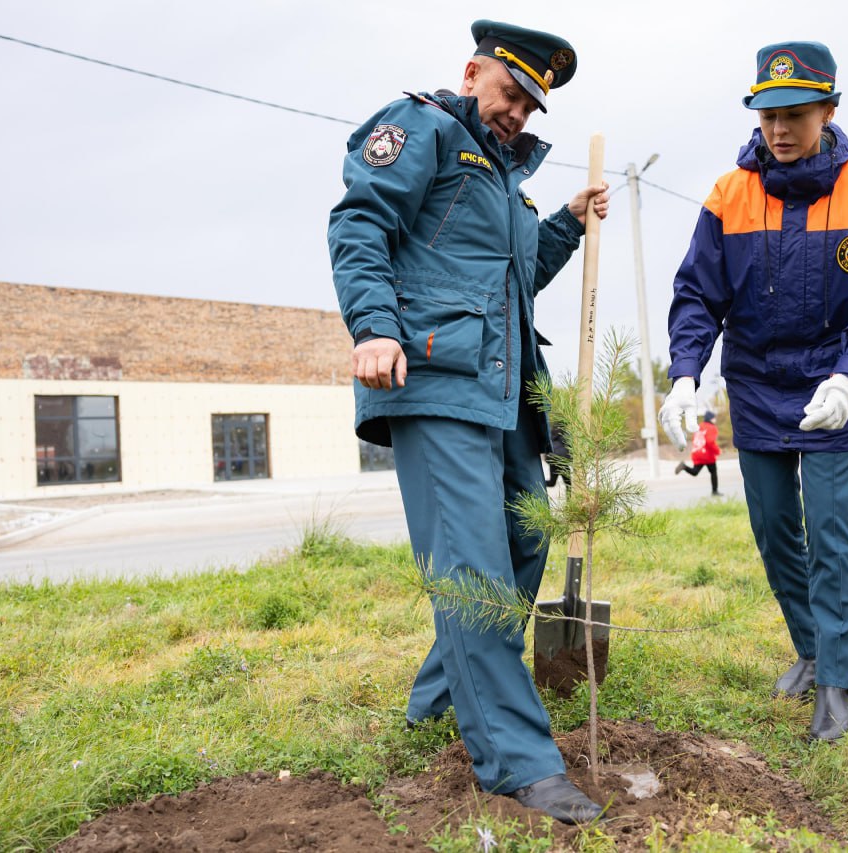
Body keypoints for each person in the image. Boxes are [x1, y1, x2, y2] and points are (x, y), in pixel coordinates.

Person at [326, 20, 609, 824]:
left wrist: (563, 220)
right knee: (476, 571)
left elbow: (519, 278)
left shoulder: (503, 181)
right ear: (473, 72)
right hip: (433, 377)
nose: (517, 111)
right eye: (509, 91)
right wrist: (373, 325)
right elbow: (360, 222)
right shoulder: (425, 128)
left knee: (525, 540)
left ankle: (436, 701)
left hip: (503, 395)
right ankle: (518, 761)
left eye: (530, 104)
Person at [659, 41, 848, 741]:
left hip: (835, 386)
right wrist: (685, 374)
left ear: (829, 110)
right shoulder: (729, 193)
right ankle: (810, 646)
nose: (779, 128)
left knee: (832, 533)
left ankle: (837, 683)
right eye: (768, 113)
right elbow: (696, 294)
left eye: (796, 113)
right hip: (759, 385)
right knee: (775, 531)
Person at [675, 410, 722, 495]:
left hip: (697, 453)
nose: (715, 419)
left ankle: (684, 466)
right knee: (713, 472)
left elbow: (695, 439)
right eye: (714, 418)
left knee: (695, 472)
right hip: (707, 455)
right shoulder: (711, 427)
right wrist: (717, 451)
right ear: (710, 418)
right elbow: (710, 442)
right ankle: (715, 491)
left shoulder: (699, 426)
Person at [544, 423, 571, 488]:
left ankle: (537, 484)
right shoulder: (564, 435)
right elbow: (570, 446)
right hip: (562, 462)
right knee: (568, 484)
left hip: (553, 461)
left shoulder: (551, 435)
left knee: (551, 483)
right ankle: (570, 498)